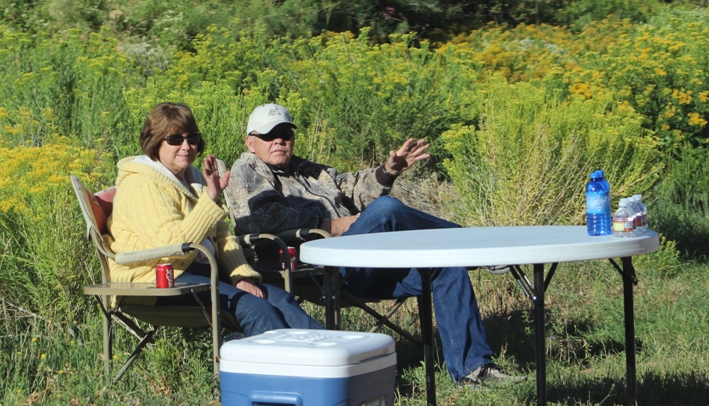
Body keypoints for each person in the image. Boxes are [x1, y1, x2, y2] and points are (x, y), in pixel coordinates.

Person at [227, 103, 520, 385]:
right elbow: (259, 219)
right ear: (251, 142)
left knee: (445, 265)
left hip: (362, 262)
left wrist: (388, 171)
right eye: (269, 135)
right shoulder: (247, 171)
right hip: (317, 268)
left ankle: (472, 369)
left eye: (285, 134)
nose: (279, 140)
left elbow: (351, 186)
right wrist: (331, 225)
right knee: (385, 210)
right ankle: (478, 247)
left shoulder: (306, 170)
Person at [107, 102, 323, 337]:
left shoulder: (191, 177)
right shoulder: (142, 185)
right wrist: (210, 199)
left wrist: (241, 276)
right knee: (255, 309)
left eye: (192, 139)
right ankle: (277, 370)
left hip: (202, 272)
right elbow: (172, 245)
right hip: (154, 278)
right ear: (155, 142)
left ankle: (331, 359)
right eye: (175, 140)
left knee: (281, 300)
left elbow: (222, 235)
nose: (186, 146)